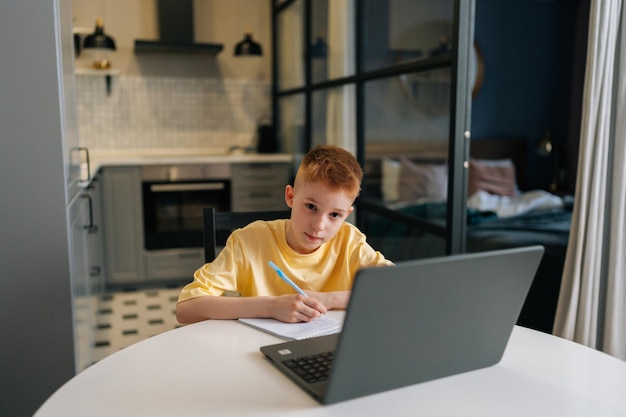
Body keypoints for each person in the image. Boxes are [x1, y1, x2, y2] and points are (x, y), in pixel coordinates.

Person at [176, 145, 393, 324]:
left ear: (347, 214)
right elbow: (186, 309)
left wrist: (329, 299)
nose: (319, 225)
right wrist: (271, 306)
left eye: (334, 214)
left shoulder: (349, 241)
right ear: (290, 196)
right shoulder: (249, 241)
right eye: (311, 206)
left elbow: (398, 289)